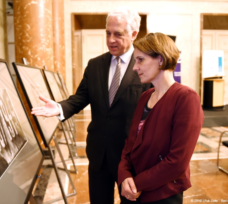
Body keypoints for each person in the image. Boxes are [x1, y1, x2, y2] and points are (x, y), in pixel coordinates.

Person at [32, 7, 151, 203]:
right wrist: (60, 107)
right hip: (99, 157)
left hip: (130, 159)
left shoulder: (144, 67)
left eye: (118, 34)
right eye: (108, 33)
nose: (111, 39)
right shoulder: (95, 65)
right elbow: (80, 98)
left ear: (134, 34)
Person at [118, 33, 204, 204]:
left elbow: (177, 162)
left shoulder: (186, 98)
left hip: (162, 194)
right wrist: (124, 175)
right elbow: (130, 143)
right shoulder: (145, 96)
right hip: (132, 191)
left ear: (161, 59)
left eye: (140, 60)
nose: (135, 67)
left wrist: (137, 183)